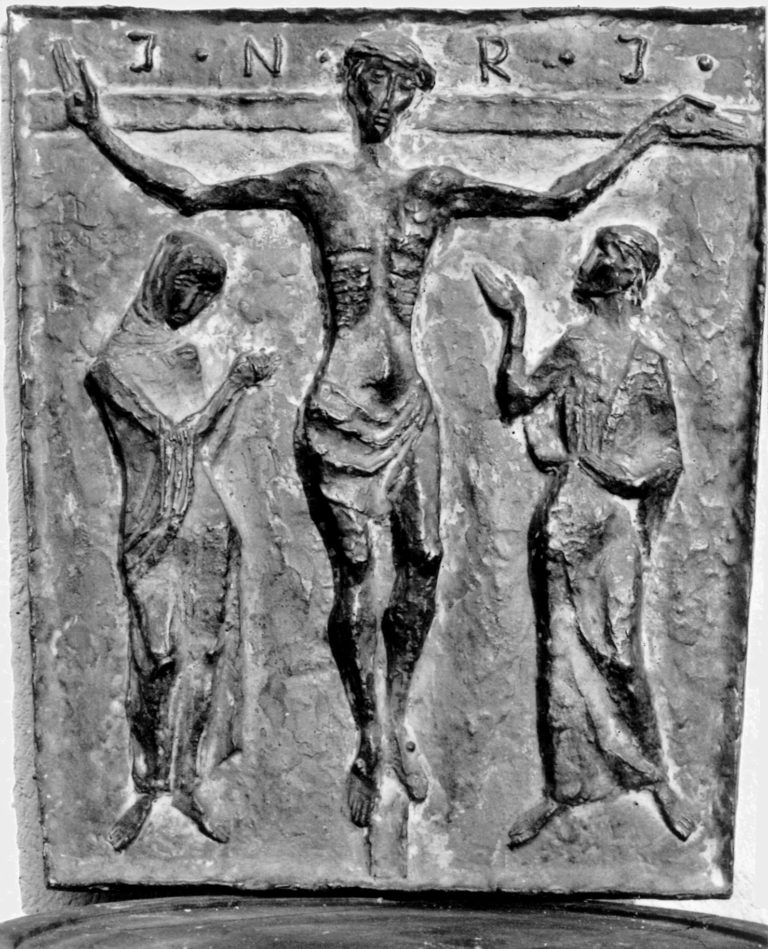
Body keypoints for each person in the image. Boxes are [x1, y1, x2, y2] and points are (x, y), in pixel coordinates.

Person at [52, 33, 732, 828]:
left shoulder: (432, 189)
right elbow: (196, 193)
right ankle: (369, 737)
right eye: (371, 81)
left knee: (426, 563)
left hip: (412, 412)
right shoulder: (317, 186)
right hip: (340, 412)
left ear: (411, 98)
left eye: (398, 85)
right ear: (350, 88)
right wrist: (99, 132)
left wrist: (648, 132)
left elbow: (556, 201)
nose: (383, 99)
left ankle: (398, 712)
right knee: (358, 579)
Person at [474, 226, 695, 847]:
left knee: (620, 648)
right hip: (567, 514)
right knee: (560, 653)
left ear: (631, 275)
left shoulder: (648, 361)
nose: (591, 263)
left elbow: (669, 454)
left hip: (614, 518)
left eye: (606, 255)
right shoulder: (574, 345)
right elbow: (517, 397)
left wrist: (623, 474)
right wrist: (515, 321)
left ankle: (653, 777)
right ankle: (564, 788)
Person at [88, 231, 277, 850]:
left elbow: (207, 446)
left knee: (206, 654)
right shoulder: (113, 367)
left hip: (207, 519)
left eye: (207, 296)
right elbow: (174, 437)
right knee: (158, 654)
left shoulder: (187, 358)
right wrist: (236, 383)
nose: (195, 307)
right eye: (190, 287)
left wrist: (233, 391)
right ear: (163, 278)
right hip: (152, 524)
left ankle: (189, 782)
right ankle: (148, 784)